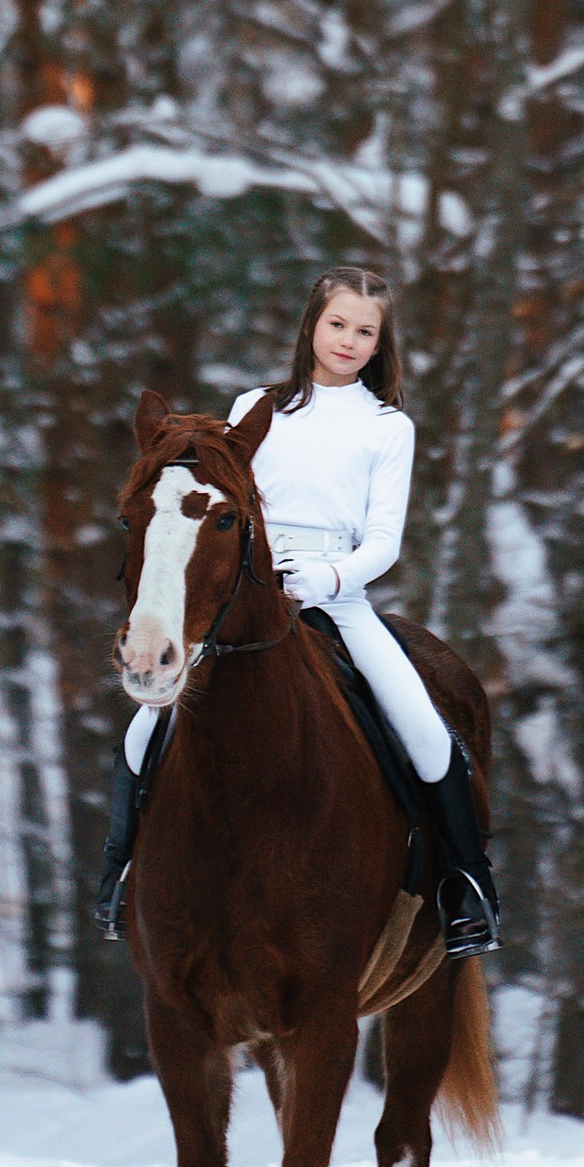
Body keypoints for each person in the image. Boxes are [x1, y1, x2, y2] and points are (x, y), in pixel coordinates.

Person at [96, 266, 502, 959]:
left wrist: (325, 577)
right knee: (144, 731)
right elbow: (222, 500)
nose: (348, 341)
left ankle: (468, 887)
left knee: (428, 735)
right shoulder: (255, 406)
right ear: (312, 325)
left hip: (338, 594)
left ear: (380, 343)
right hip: (249, 588)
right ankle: (118, 877)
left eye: (365, 332)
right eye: (337, 324)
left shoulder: (387, 427)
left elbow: (384, 542)